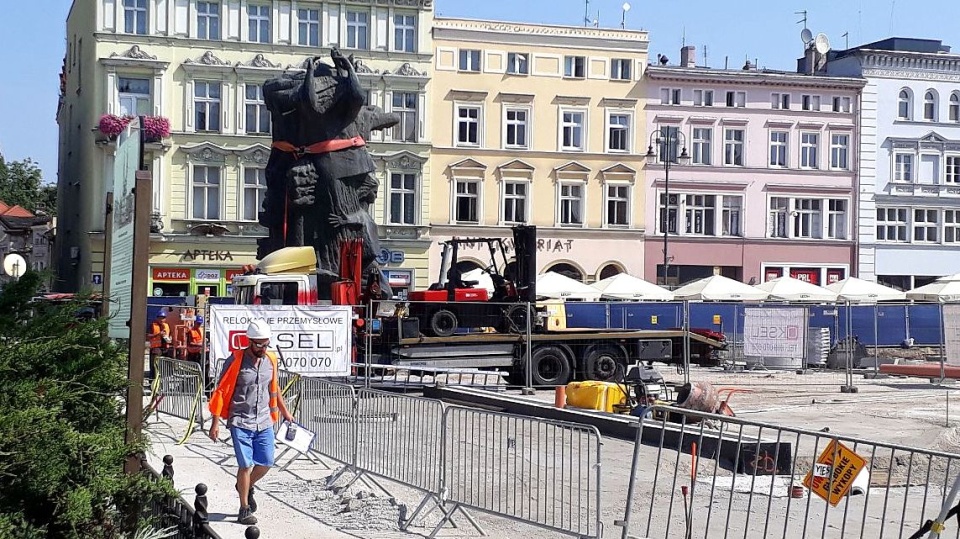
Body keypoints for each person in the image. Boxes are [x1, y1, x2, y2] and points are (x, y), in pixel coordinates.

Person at [208, 319, 294, 525]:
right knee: (245, 464)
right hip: (240, 421)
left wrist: (285, 412)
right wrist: (215, 422)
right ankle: (244, 508)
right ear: (250, 342)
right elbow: (220, 392)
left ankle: (244, 485)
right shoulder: (235, 361)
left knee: (266, 462)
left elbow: (274, 388)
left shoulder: (271, 360)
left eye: (266, 344)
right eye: (259, 345)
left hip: (264, 420)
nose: (263, 348)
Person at [147, 312, 171, 380]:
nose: (161, 320)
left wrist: (169, 339)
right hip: (156, 349)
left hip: (165, 348)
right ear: (157, 318)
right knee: (154, 366)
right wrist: (158, 334)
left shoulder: (166, 326)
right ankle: (152, 381)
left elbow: (169, 335)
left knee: (163, 366)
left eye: (163, 318)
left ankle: (162, 382)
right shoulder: (152, 325)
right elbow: (148, 336)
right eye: (160, 318)